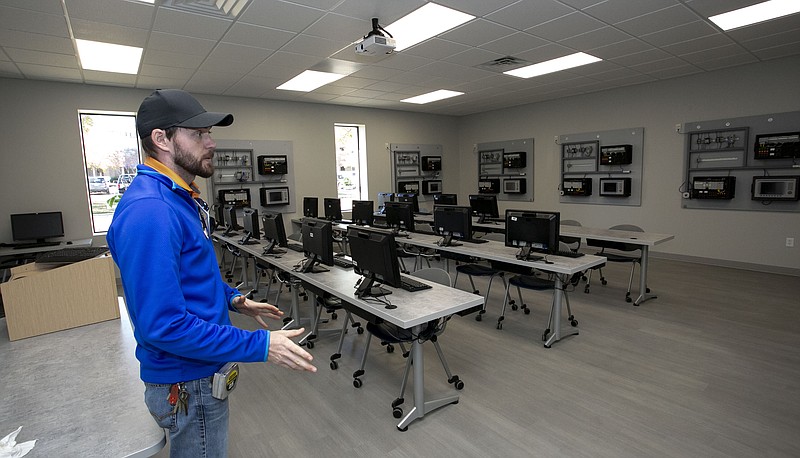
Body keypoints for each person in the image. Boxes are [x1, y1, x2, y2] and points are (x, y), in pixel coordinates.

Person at [107, 89, 316, 457]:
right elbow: (165, 325)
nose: (211, 142)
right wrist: (262, 345)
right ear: (162, 139)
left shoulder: (176, 197)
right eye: (199, 134)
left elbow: (190, 275)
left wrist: (233, 299)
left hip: (198, 374)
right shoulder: (151, 210)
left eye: (209, 133)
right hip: (187, 380)